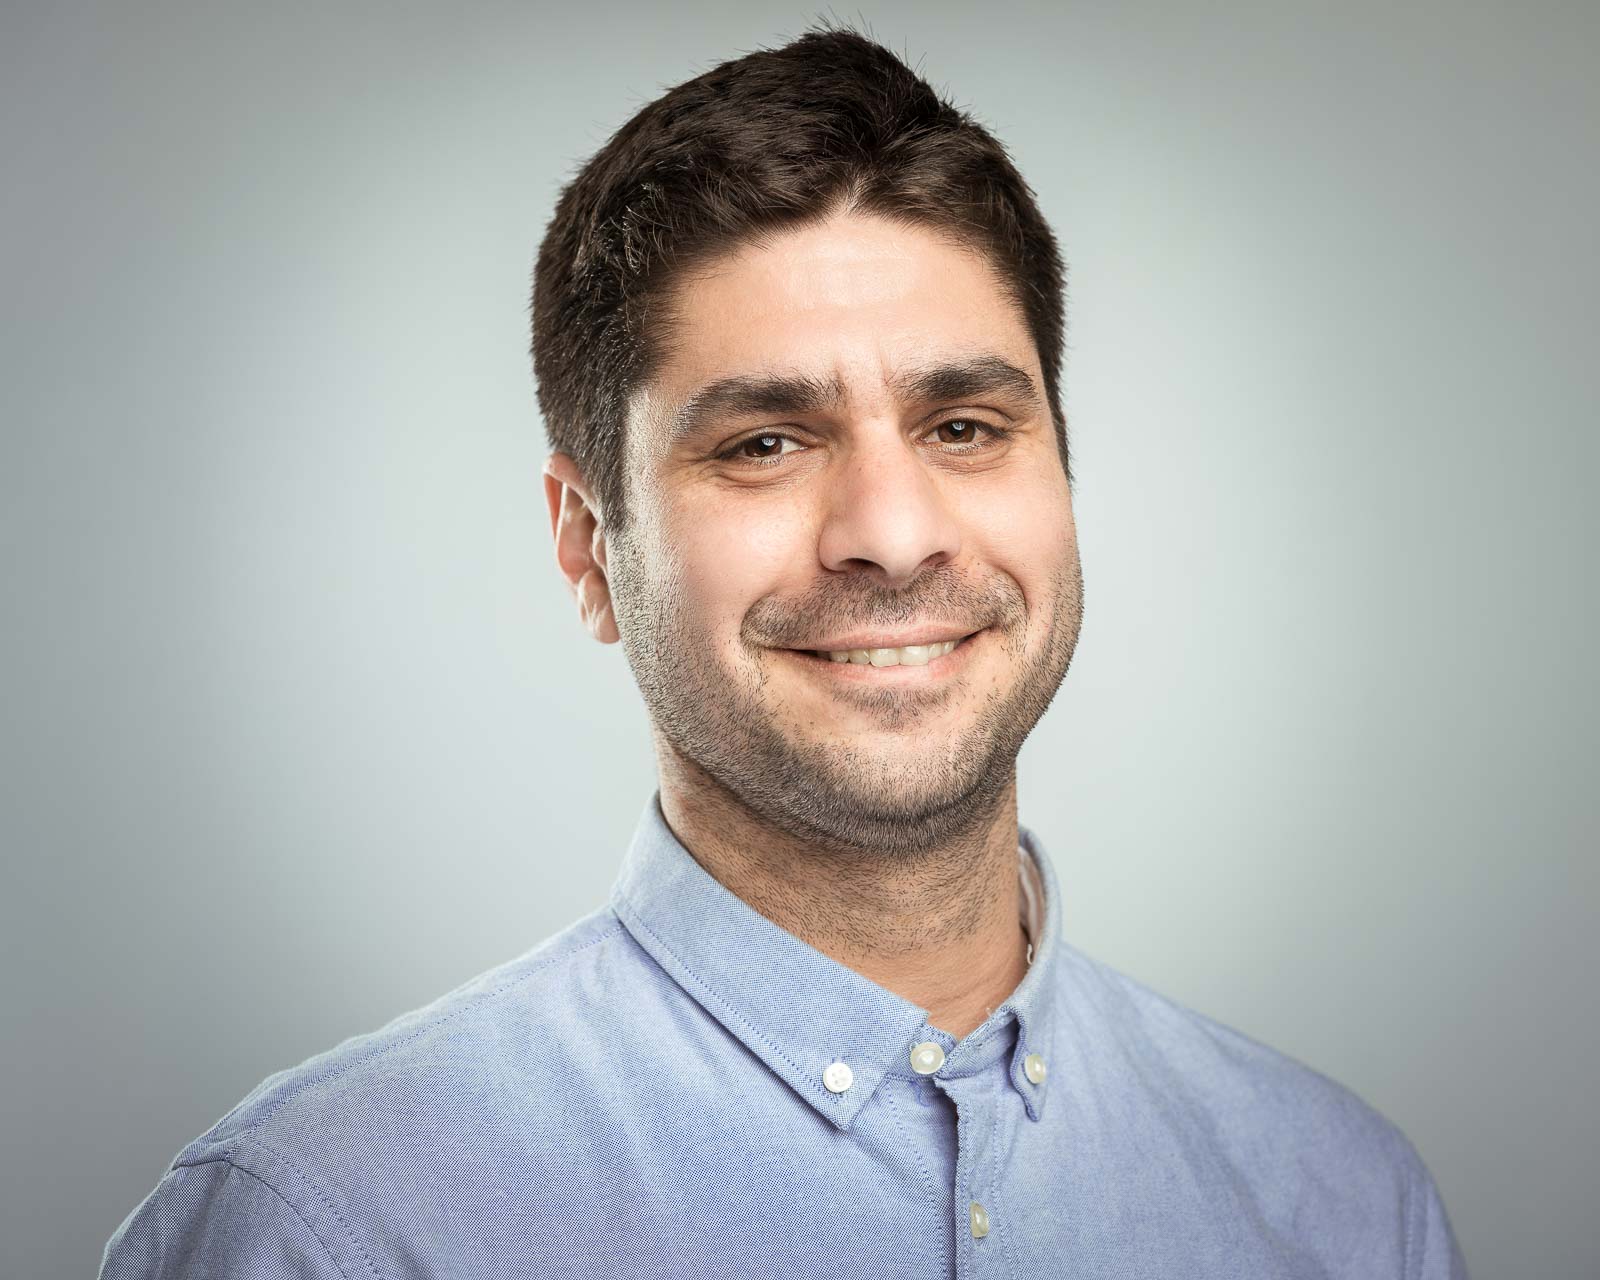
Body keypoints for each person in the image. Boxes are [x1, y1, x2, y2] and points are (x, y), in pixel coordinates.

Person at [100, 24, 1468, 1279]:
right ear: (588, 546)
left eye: (965, 427)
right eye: (764, 443)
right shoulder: (325, 1228)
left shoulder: (1344, 1207)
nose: (891, 534)